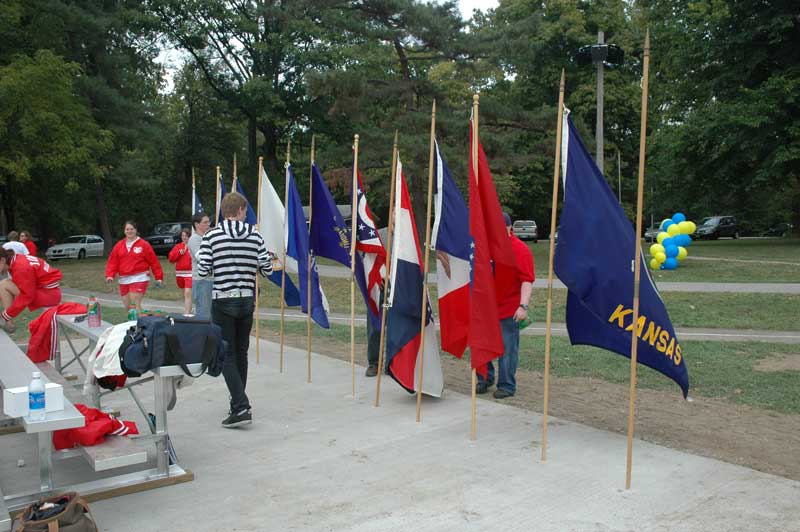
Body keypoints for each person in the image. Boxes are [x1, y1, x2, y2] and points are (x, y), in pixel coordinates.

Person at [197, 192, 272, 428]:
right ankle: (237, 401)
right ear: (240, 210)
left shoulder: (212, 235)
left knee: (226, 353)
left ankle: (240, 405)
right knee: (241, 353)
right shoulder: (255, 235)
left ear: (224, 211)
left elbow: (203, 269)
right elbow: (268, 269)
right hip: (247, 299)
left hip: (223, 299)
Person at [477, 211, 534, 399]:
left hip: (508, 308)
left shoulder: (520, 250)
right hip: (484, 308)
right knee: (481, 345)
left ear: (509, 228)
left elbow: (527, 280)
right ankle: (484, 378)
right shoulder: (484, 247)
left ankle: (507, 385)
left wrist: (523, 306)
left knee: (507, 349)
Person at [105, 221, 163, 315]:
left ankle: (139, 327)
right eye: (127, 229)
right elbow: (112, 262)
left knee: (134, 305)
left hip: (140, 277)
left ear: (136, 230)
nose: (129, 231)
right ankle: (146, 320)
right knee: (128, 307)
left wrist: (159, 277)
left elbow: (154, 261)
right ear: (124, 231)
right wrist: (110, 275)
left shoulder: (144, 244)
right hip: (124, 279)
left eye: (131, 229)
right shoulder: (119, 245)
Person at [0, 250, 62, 333]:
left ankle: (6, 320)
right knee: (5, 283)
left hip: (48, 295)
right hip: (49, 291)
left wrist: (6, 314)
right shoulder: (18, 259)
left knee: (4, 284)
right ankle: (7, 321)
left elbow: (27, 296)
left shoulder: (20, 267)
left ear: (3, 260)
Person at [187, 212, 212, 319]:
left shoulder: (208, 238)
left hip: (211, 279)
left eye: (208, 222)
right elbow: (202, 258)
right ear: (197, 225)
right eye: (205, 222)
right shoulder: (194, 239)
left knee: (212, 314)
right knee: (204, 315)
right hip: (202, 280)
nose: (208, 225)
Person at [168, 227, 193, 315]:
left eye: (186, 235)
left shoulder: (193, 246)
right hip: (180, 274)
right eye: (182, 235)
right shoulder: (178, 246)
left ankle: (187, 314)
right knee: (185, 294)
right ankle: (189, 308)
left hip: (190, 274)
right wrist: (179, 253)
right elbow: (171, 259)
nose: (184, 237)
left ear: (189, 236)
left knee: (187, 293)